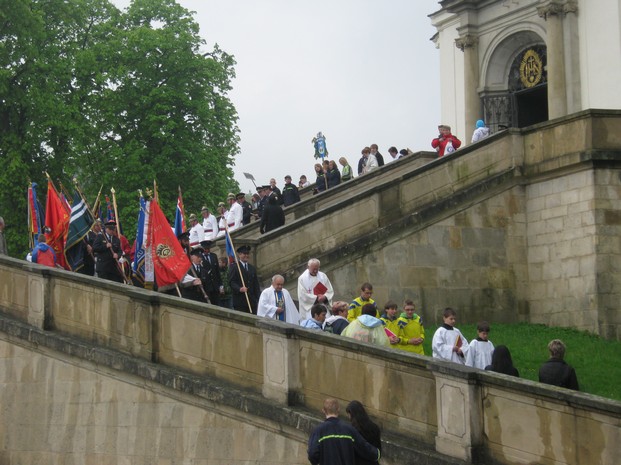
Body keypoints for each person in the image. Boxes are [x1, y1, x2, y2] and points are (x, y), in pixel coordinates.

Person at [307, 398, 380, 465]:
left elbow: (312, 453)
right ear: (338, 410)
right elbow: (364, 447)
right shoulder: (349, 429)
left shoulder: (318, 431)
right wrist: (377, 454)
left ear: (323, 410)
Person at [345, 400, 382, 465]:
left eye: (349, 414)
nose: (349, 417)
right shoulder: (375, 428)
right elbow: (378, 450)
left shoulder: (353, 430)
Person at [228, 245, 261, 314]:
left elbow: (256, 285)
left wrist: (258, 299)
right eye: (244, 254)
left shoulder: (252, 268)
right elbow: (231, 282)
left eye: (247, 254)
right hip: (240, 301)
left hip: (252, 301)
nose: (246, 255)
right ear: (239, 255)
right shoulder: (234, 267)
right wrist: (239, 289)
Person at [199, 240, 222, 306]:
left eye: (208, 249)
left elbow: (217, 271)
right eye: (205, 249)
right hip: (206, 286)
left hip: (215, 286)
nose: (206, 250)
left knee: (216, 304)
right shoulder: (200, 258)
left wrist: (220, 285)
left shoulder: (213, 256)